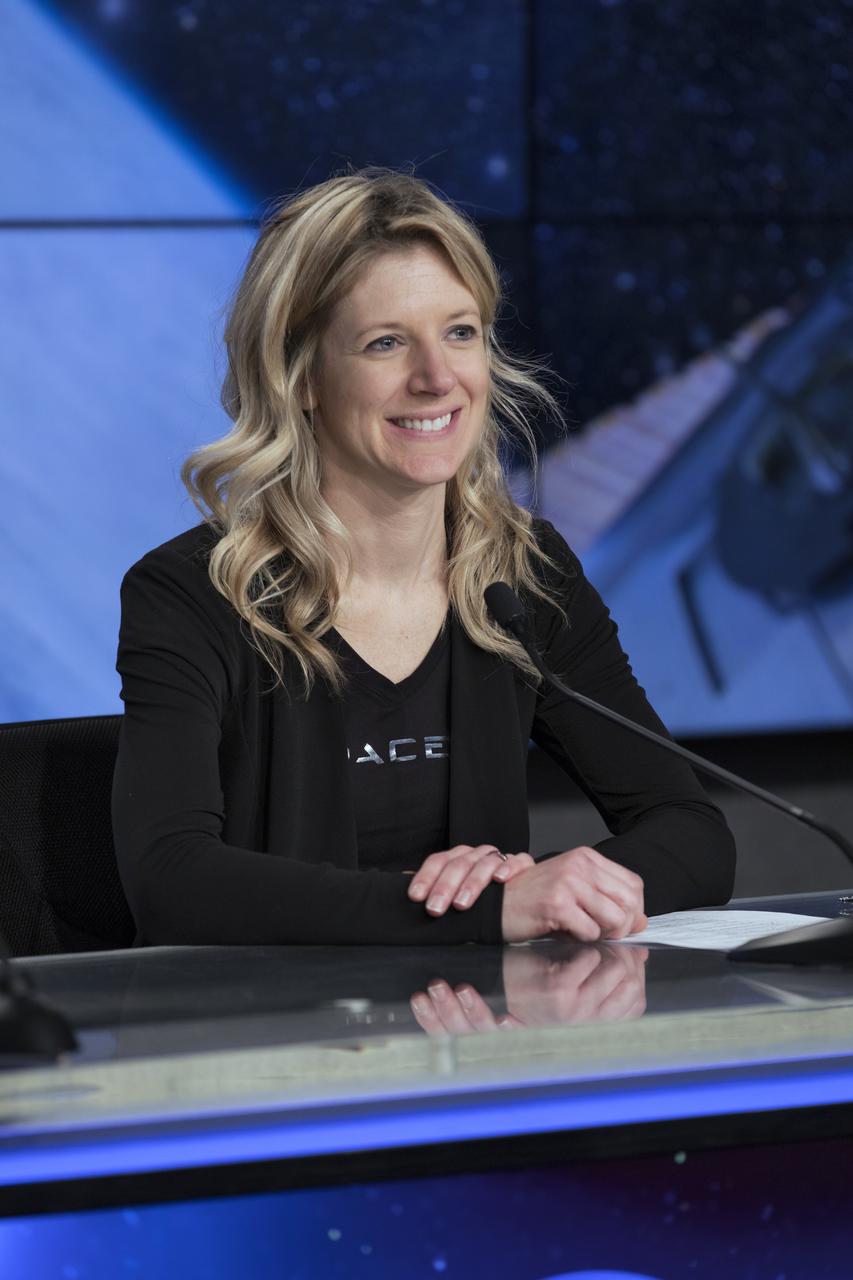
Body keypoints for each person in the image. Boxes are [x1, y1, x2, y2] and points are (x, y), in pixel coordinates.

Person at [112, 169, 735, 948]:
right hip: (268, 1045)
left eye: (460, 332)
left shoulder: (522, 574)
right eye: (385, 343)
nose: (437, 378)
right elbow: (170, 879)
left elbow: (692, 832)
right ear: (300, 376)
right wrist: (482, 912)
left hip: (475, 1044)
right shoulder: (193, 593)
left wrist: (560, 888)